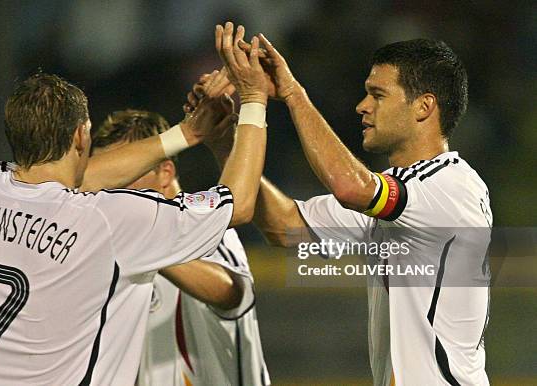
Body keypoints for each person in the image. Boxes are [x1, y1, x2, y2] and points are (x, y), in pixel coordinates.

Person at [0, 35, 270, 386]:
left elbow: (71, 177)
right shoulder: (109, 219)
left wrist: (186, 133)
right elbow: (241, 201)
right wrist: (253, 99)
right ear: (83, 137)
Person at [201, 23, 491, 386]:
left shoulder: (450, 186)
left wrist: (292, 93)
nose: (362, 106)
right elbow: (285, 226)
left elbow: (349, 186)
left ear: (424, 107)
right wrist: (226, 141)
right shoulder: (403, 198)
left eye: (378, 94)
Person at [91, 108, 270, 386]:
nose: (112, 186)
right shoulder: (113, 241)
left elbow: (230, 292)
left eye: (127, 171)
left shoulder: (205, 222)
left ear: (165, 173)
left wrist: (146, 247)